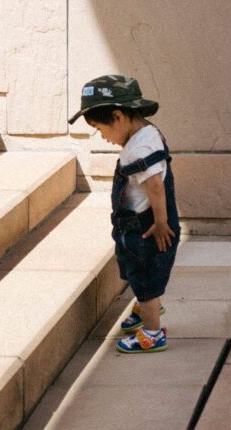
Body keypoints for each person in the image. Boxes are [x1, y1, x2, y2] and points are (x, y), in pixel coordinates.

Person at [71, 75, 179, 354]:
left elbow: (155, 186)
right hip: (140, 223)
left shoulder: (137, 150)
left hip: (145, 226)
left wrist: (160, 223)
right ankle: (147, 306)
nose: (103, 137)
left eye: (100, 129)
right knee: (138, 270)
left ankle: (153, 332)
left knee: (144, 275)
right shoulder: (147, 133)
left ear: (117, 117)